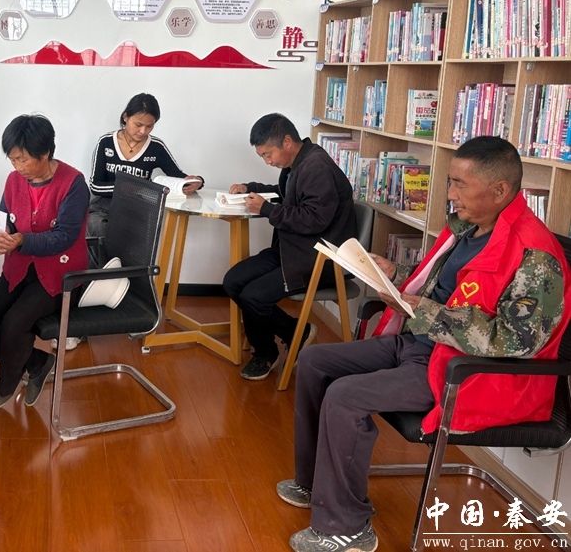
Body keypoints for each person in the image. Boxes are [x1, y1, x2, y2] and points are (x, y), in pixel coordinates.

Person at [278, 136, 570, 552]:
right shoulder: (467, 228)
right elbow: (445, 287)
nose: (450, 194)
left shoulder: (535, 256)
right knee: (314, 361)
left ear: (500, 190)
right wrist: (396, 274)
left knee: (344, 396)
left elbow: (516, 340)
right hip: (423, 345)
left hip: (466, 373)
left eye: (459, 184)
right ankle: (318, 484)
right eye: (450, 182)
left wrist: (428, 314)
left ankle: (348, 527)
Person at [0, 114, 88, 408]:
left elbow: (64, 237)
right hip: (19, 268)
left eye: (23, 159)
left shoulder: (74, 183)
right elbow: (6, 220)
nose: (17, 167)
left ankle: (8, 382)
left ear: (45, 153)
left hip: (59, 274)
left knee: (14, 324)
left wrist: (21, 240)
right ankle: (38, 362)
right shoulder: (13, 181)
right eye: (12, 160)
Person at [222, 113, 357, 381]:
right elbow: (287, 194)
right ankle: (294, 331)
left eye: (267, 154)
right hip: (294, 250)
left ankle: (266, 353)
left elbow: (314, 219)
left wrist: (266, 209)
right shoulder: (299, 162)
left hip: (320, 260)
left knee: (254, 296)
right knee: (233, 281)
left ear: (286, 142)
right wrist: (252, 188)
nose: (267, 161)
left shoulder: (316, 167)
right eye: (262, 156)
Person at [88, 92, 204, 238]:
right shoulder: (106, 142)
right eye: (138, 125)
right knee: (97, 225)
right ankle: (105, 254)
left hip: (138, 207)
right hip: (104, 207)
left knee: (144, 233)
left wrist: (197, 181)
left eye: (149, 126)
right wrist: (126, 187)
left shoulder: (156, 147)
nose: (143, 131)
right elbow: (95, 186)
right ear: (125, 117)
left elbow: (178, 176)